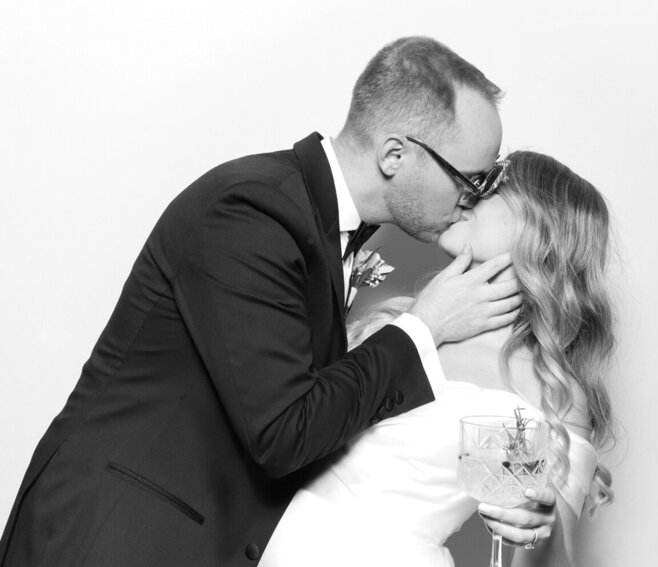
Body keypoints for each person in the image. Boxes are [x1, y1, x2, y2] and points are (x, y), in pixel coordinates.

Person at [0, 37, 525, 567]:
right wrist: (425, 325)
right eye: (470, 178)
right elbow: (284, 433)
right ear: (394, 155)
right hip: (112, 539)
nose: (473, 198)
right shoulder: (251, 212)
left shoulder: (320, 225)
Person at [262, 150, 616, 567]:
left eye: (492, 188)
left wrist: (544, 523)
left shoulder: (550, 387)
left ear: (542, 228)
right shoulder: (395, 319)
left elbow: (545, 559)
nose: (466, 194)